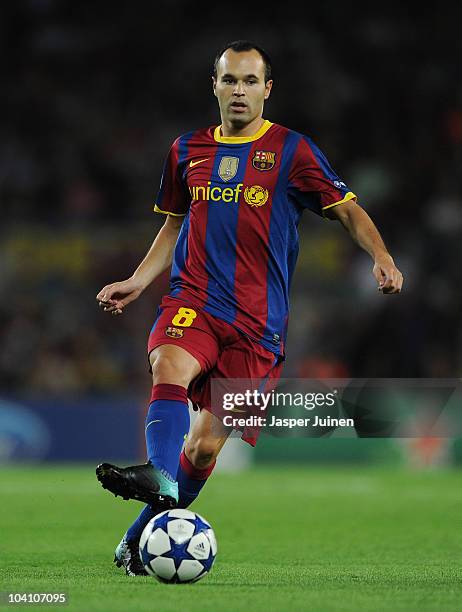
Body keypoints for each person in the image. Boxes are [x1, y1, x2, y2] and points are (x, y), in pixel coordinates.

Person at [95, 40, 403, 575]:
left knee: (207, 447)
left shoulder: (293, 151)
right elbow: (173, 221)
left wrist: (381, 256)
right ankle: (159, 474)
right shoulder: (185, 149)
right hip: (194, 299)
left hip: (259, 328)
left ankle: (138, 534)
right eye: (230, 80)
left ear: (267, 89)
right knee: (167, 361)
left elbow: (346, 209)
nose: (239, 90)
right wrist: (139, 280)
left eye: (250, 81)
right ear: (214, 85)